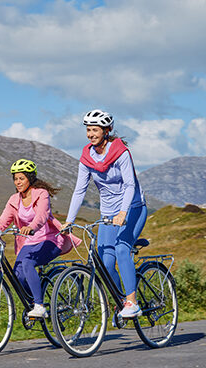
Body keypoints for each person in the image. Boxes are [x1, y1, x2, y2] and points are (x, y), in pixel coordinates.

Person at [62, 109, 148, 319]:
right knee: (105, 262)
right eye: (88, 130)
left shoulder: (121, 152)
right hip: (108, 213)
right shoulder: (86, 157)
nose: (90, 134)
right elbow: (80, 190)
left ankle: (132, 301)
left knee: (121, 250)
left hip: (133, 208)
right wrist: (69, 221)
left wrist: (123, 212)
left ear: (107, 131)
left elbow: (130, 185)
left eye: (95, 130)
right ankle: (121, 300)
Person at [0, 159, 81, 318]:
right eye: (15, 178)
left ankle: (39, 306)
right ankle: (34, 304)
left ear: (30, 178)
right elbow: (2, 222)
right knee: (18, 275)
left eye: (21, 178)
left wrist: (32, 227)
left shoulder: (41, 194)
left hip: (50, 239)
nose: (18, 182)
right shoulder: (14, 200)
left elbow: (42, 216)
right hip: (29, 242)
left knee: (28, 262)